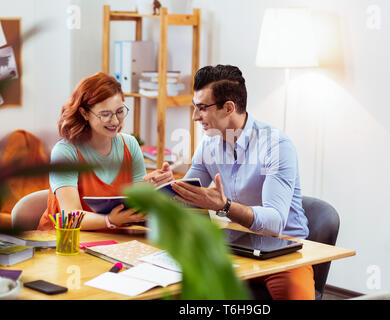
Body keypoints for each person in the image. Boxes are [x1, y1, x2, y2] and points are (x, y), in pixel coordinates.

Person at [144, 64, 315, 300]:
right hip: (232, 248)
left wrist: (224, 206)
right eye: (195, 108)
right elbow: (192, 194)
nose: (195, 117)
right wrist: (167, 187)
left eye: (202, 108)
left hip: (282, 252)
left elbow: (274, 222)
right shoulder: (209, 144)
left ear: (228, 108)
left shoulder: (275, 146)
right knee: (174, 290)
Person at [37, 72, 148, 230]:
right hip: (63, 242)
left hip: (112, 241)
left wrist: (153, 188)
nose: (115, 121)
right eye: (105, 114)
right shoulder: (65, 152)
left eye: (120, 111)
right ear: (84, 113)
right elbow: (70, 215)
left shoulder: (130, 145)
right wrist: (109, 220)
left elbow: (139, 205)